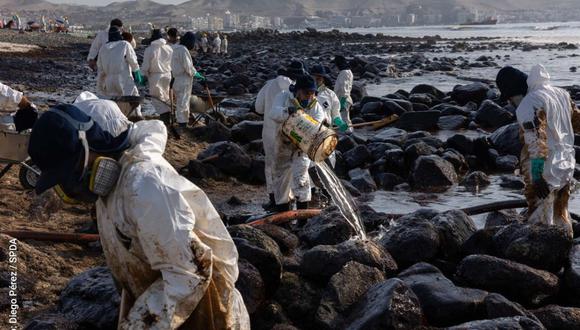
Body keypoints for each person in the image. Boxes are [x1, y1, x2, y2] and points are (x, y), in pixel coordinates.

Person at [28, 103, 250, 329]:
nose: (72, 185)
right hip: (168, 308)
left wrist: (136, 325)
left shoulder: (144, 185)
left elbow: (191, 271)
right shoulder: (113, 185)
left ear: (96, 144)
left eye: (73, 173)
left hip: (208, 313)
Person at [496, 64, 576, 234]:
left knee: (540, 224)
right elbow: (577, 121)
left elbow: (536, 140)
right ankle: (566, 251)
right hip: (566, 166)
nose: (510, 102)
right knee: (561, 215)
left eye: (510, 98)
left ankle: (542, 259)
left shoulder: (529, 103)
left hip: (545, 170)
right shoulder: (562, 94)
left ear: (515, 91)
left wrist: (537, 176)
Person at [268, 75, 325, 211]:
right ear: (298, 91)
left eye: (312, 93)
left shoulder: (315, 105)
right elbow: (273, 113)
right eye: (306, 93)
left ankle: (302, 215)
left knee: (301, 178)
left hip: (302, 146)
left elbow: (320, 119)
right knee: (281, 177)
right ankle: (283, 212)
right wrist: (288, 111)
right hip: (283, 143)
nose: (309, 97)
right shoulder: (284, 97)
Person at [255, 61, 306, 210]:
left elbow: (258, 108)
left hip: (269, 131)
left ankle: (273, 199)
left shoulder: (268, 84)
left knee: (271, 165)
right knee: (290, 166)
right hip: (289, 134)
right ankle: (290, 198)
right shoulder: (296, 89)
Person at [97, 26, 144, 119]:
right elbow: (133, 61)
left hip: (109, 80)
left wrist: (100, 86)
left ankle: (117, 121)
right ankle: (136, 119)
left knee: (115, 103)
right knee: (132, 99)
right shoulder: (125, 44)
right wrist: (137, 73)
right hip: (124, 78)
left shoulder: (103, 48)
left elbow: (100, 68)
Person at [171, 31, 205, 130]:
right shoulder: (183, 50)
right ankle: (182, 124)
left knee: (178, 101)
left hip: (174, 78)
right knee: (183, 101)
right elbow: (188, 67)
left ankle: (180, 120)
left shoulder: (174, 48)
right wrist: (196, 74)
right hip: (183, 79)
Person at [310, 64, 348, 132]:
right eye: (313, 78)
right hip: (308, 130)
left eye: (318, 78)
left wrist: (339, 122)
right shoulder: (304, 93)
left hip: (325, 131)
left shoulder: (330, 94)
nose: (315, 81)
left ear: (323, 79)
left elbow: (335, 113)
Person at [142, 29, 173, 103]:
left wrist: (144, 75)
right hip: (167, 75)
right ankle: (169, 112)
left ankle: (165, 114)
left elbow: (146, 66)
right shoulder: (169, 48)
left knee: (157, 99)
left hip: (155, 76)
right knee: (166, 96)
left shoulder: (149, 50)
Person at [333, 55, 354, 133]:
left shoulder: (343, 73)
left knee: (344, 119)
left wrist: (341, 102)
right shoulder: (349, 72)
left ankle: (348, 135)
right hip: (346, 98)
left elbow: (344, 89)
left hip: (343, 99)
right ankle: (349, 133)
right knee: (345, 118)